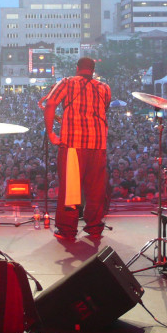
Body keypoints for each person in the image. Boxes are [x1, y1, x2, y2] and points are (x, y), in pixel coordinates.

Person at [42, 57, 111, 242]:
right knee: (96, 189)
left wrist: (51, 133)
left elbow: (49, 104)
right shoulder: (104, 88)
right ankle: (94, 228)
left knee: (70, 189)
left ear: (77, 68)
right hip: (98, 145)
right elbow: (103, 109)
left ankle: (67, 230)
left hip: (73, 144)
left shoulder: (67, 82)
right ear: (93, 70)